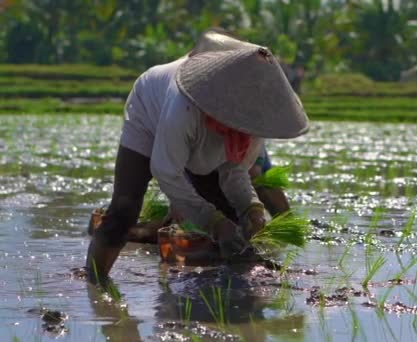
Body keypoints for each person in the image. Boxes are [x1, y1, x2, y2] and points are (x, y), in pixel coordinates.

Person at [86, 29, 309, 282]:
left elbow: (234, 171)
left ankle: (217, 301)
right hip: (149, 114)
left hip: (199, 139)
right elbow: (165, 171)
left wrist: (252, 209)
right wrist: (213, 222)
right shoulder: (184, 107)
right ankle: (96, 283)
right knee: (124, 209)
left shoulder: (255, 125)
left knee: (232, 220)